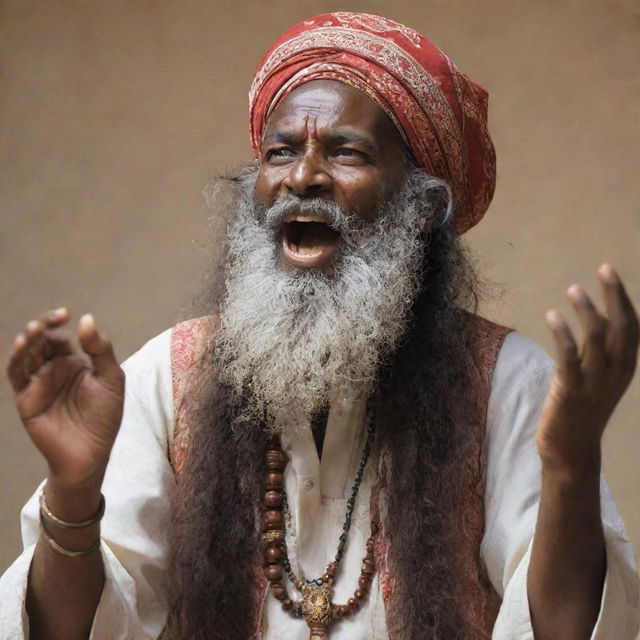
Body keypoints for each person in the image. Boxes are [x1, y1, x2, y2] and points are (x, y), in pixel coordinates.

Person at [1, 11, 638, 640]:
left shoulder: (508, 381)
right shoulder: (168, 378)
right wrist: (74, 490)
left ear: (420, 207)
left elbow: (569, 630)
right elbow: (70, 630)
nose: (302, 177)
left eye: (346, 152)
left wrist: (570, 465)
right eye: (281, 152)